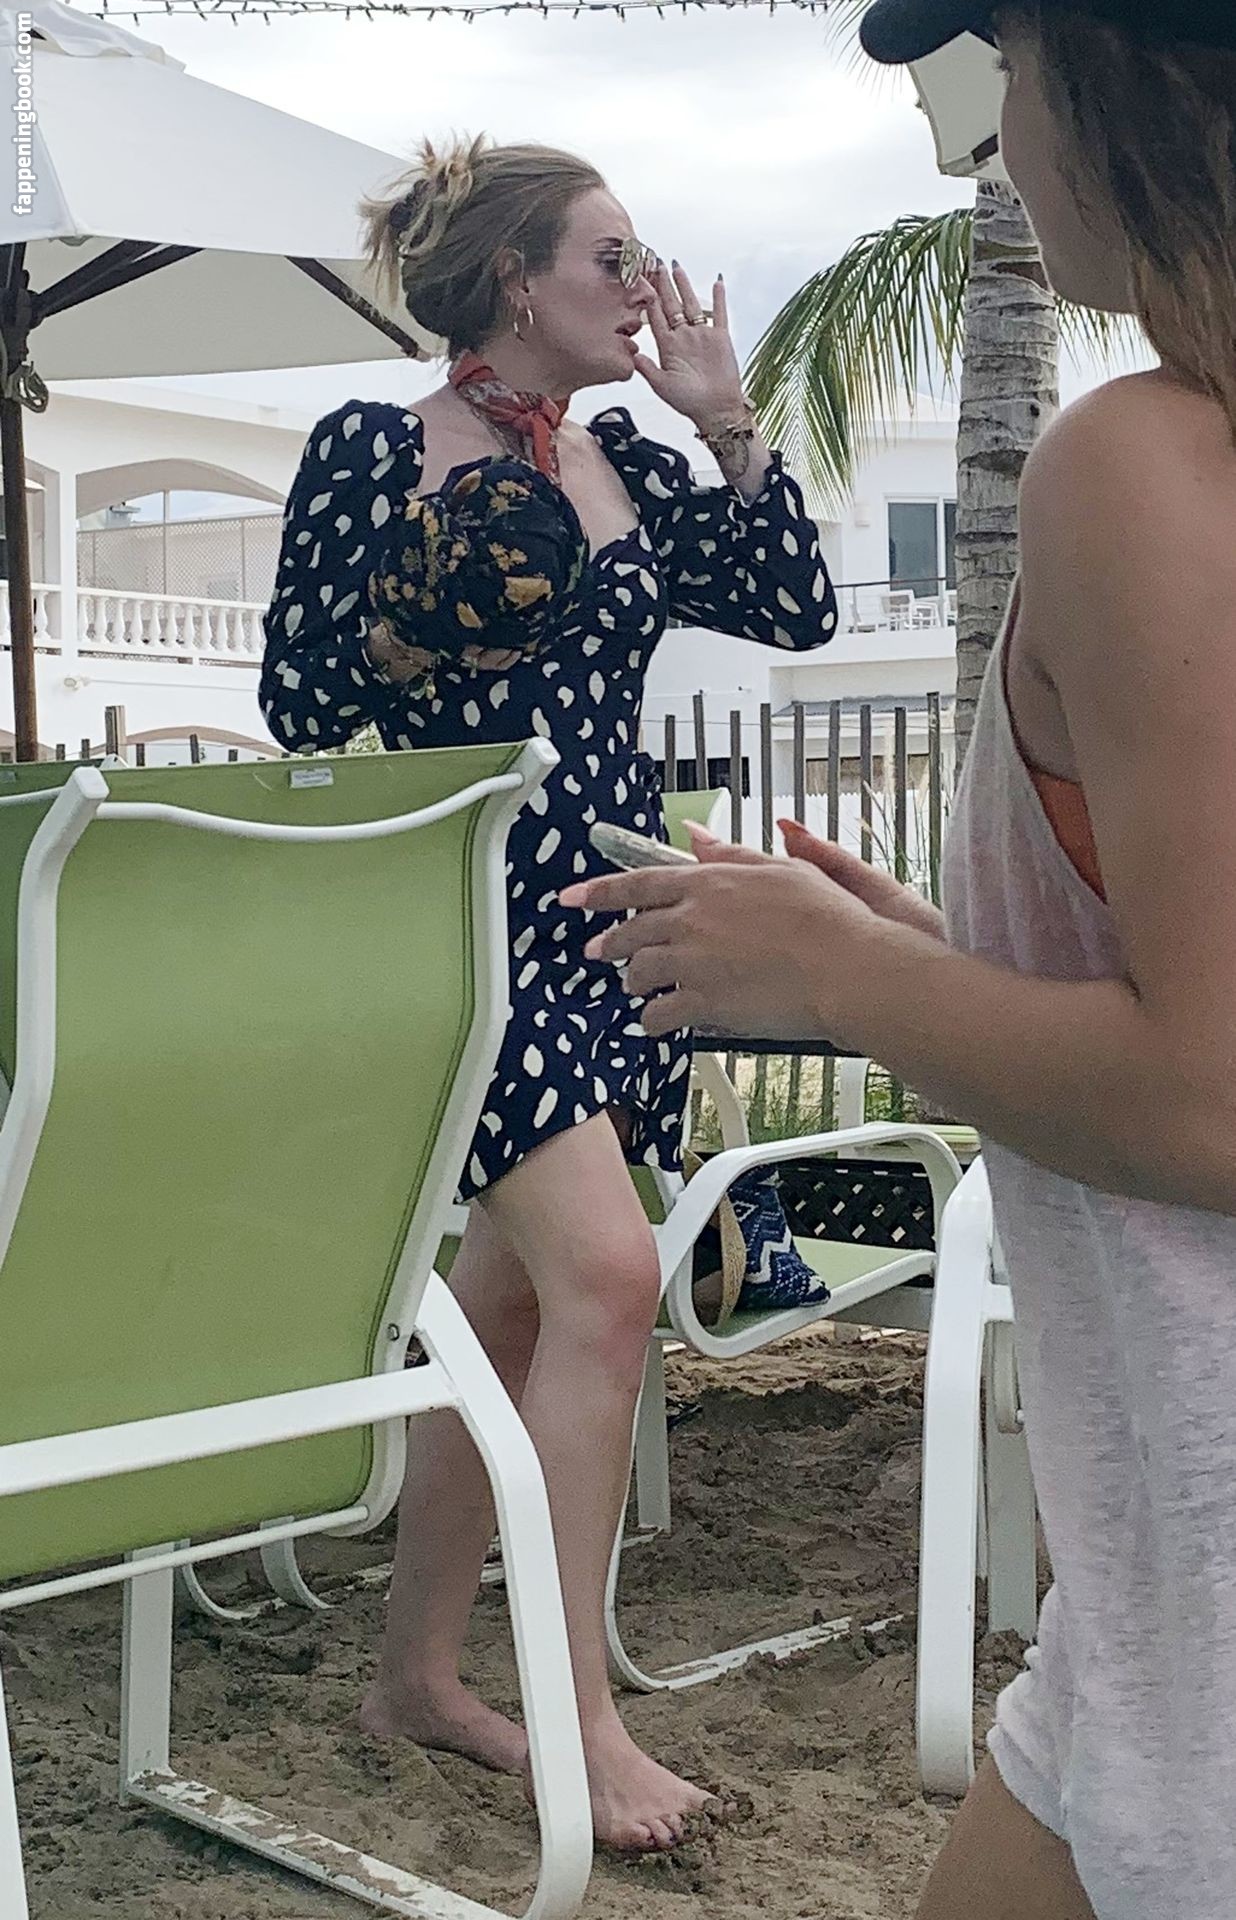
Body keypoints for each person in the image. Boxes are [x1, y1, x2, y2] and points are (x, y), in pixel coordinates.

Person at [563, 1, 1236, 1911]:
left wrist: (850, 986)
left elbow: (1216, 1100)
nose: (997, 138)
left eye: (1007, 72)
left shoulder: (1148, 466)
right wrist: (940, 962)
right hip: (1144, 1592)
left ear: (1128, 80)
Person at [258, 136, 838, 1851]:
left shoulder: (626, 457)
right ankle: (576, 1715)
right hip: (465, 919)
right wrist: (424, 619)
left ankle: (419, 1679)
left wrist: (728, 425)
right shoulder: (376, 450)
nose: (644, 290)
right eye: (613, 259)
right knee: (610, 1277)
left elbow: (793, 604)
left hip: (603, 920)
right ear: (517, 279)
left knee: (515, 1308)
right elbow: (303, 702)